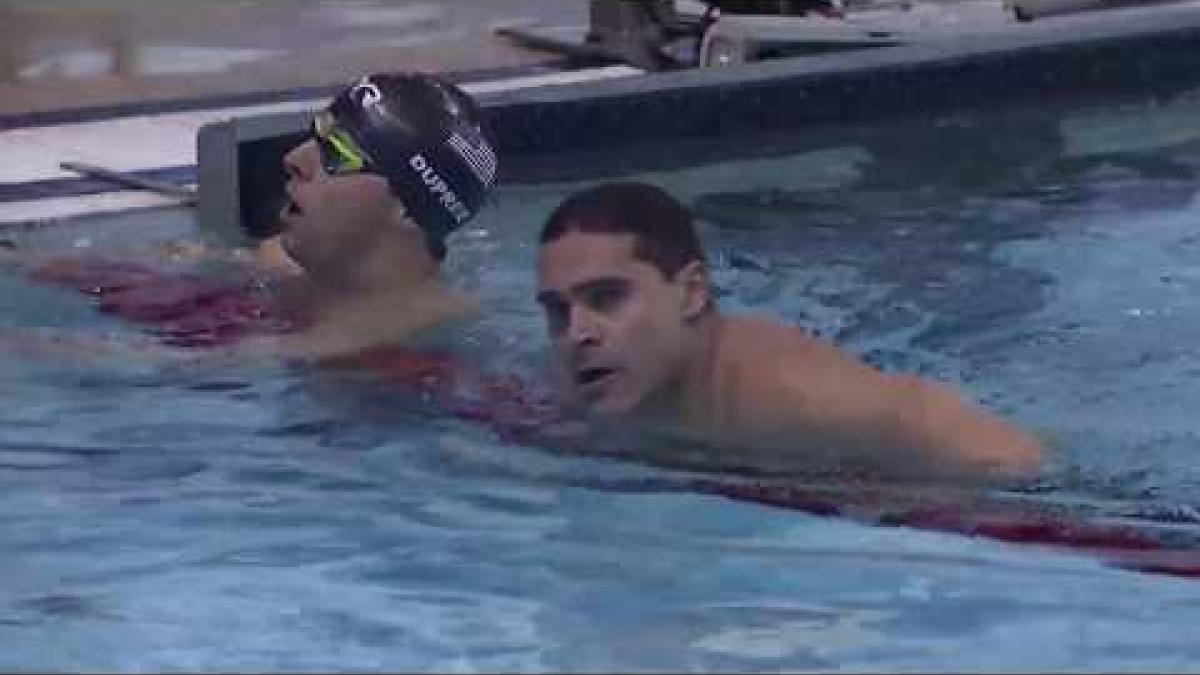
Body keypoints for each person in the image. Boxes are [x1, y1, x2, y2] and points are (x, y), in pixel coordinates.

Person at [534, 180, 1044, 481]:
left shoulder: (800, 399)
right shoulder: (586, 388)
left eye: (607, 298)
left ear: (691, 292)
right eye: (558, 310)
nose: (578, 333)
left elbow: (1013, 458)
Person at [29, 71, 499, 362]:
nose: (294, 158)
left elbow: (140, 363)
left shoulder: (378, 339)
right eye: (314, 136)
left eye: (335, 152)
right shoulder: (284, 261)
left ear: (406, 204)